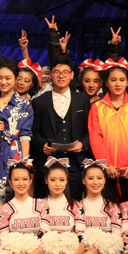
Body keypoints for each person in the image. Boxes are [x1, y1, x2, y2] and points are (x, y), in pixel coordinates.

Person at [57, 160, 124, 254]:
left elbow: (117, 236)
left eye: (99, 178)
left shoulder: (113, 207)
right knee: (91, 250)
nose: (95, 182)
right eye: (90, 178)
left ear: (104, 180)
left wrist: (102, 246)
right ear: (83, 181)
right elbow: (77, 235)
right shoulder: (76, 206)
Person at [88, 59, 128, 201]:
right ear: (106, 83)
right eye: (113, 80)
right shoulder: (97, 107)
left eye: (122, 80)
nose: (118, 84)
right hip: (106, 169)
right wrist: (106, 164)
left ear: (127, 83)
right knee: (106, 208)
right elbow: (95, 139)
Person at [31, 61, 91, 199]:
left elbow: (89, 129)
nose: (61, 76)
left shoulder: (82, 99)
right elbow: (34, 131)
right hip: (49, 161)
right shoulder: (39, 101)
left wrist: (82, 144)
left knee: (74, 202)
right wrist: (42, 145)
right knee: (48, 203)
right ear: (51, 75)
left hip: (75, 161)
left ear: (72, 75)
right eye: (57, 72)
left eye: (65, 72)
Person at [24, 160, 85, 254]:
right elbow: (39, 233)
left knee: (80, 247)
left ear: (67, 181)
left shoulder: (76, 205)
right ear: (46, 180)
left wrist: (65, 243)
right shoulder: (39, 204)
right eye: (53, 180)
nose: (57, 184)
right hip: (46, 248)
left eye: (62, 180)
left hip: (68, 250)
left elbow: (80, 234)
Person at [0, 61, 34, 203]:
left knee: (14, 196)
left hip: (13, 154)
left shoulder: (25, 106)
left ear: (16, 79)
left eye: (8, 78)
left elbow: (25, 136)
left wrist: (25, 163)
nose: (3, 82)